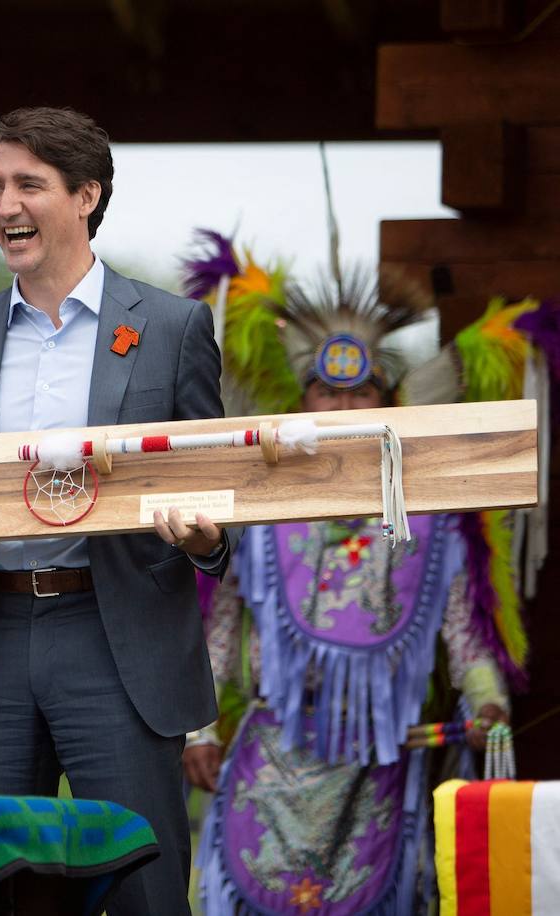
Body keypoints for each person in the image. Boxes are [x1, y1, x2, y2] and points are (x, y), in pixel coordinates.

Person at [0, 106, 233, 913]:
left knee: (145, 894)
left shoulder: (172, 329)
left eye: (28, 185)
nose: (5, 205)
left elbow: (218, 495)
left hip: (118, 649)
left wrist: (207, 538)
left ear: (85, 196)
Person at [179, 235, 526, 915]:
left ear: (387, 401)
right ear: (301, 402)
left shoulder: (433, 519)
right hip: (270, 757)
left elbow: (466, 631)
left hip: (381, 762)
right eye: (326, 392)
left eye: (360, 392)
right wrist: (199, 730)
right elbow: (219, 622)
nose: (341, 411)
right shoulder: (261, 504)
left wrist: (488, 705)